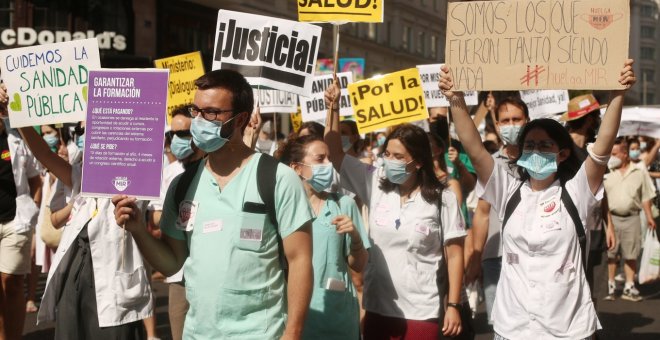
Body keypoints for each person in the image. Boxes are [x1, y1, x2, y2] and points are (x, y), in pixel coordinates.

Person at [440, 60, 636, 339]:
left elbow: (602, 148)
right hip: (513, 327)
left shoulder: (576, 192)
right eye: (530, 145)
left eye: (545, 145)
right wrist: (454, 98)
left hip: (567, 328)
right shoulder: (507, 191)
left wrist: (618, 95)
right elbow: (473, 148)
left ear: (563, 154)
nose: (536, 150)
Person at [113, 69, 314, 339]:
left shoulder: (277, 178)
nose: (198, 120)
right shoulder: (182, 186)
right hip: (197, 333)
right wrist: (138, 228)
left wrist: (293, 333)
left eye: (211, 113)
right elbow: (173, 264)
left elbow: (300, 259)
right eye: (196, 110)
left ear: (240, 119)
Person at [324, 81, 466, 339]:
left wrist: (454, 305)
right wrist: (333, 108)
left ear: (419, 161)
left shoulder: (442, 198)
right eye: (387, 154)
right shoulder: (374, 181)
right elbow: (334, 153)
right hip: (378, 308)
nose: (390, 161)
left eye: (399, 157)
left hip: (422, 313)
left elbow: (455, 255)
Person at [5, 120, 153, 337]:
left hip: (114, 281)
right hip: (75, 275)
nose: (86, 135)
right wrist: (19, 119)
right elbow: (44, 154)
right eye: (82, 130)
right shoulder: (80, 175)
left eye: (94, 128)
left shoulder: (136, 173)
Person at [278, 134, 370, 339]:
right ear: (296, 168)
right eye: (320, 159)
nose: (329, 164)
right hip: (294, 318)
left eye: (329, 158)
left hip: (337, 318)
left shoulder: (343, 204)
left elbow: (359, 265)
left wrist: (355, 237)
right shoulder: (282, 208)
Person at [465, 97, 530, 328]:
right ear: (498, 125)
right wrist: (475, 258)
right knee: (500, 325)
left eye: (516, 119)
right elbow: (482, 214)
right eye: (505, 121)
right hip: (496, 258)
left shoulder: (541, 161)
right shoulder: (490, 164)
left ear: (527, 121)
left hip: (532, 258)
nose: (511, 125)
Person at [562, 94, 616, 306]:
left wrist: (609, 224)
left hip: (593, 227)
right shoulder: (560, 149)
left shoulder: (593, 151)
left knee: (590, 286)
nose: (599, 120)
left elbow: (601, 191)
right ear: (589, 120)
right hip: (566, 228)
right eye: (596, 116)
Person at [0, 106, 41, 340]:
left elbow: (35, 180)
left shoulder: (17, 137)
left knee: (13, 283)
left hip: (16, 221)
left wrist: (32, 210)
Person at [604, 137, 657, 301]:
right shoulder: (606, 172)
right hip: (610, 220)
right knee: (611, 254)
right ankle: (611, 287)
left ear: (625, 154)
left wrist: (649, 217)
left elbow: (646, 197)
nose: (611, 157)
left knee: (631, 254)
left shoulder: (638, 172)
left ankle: (629, 286)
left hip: (632, 218)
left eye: (614, 153)